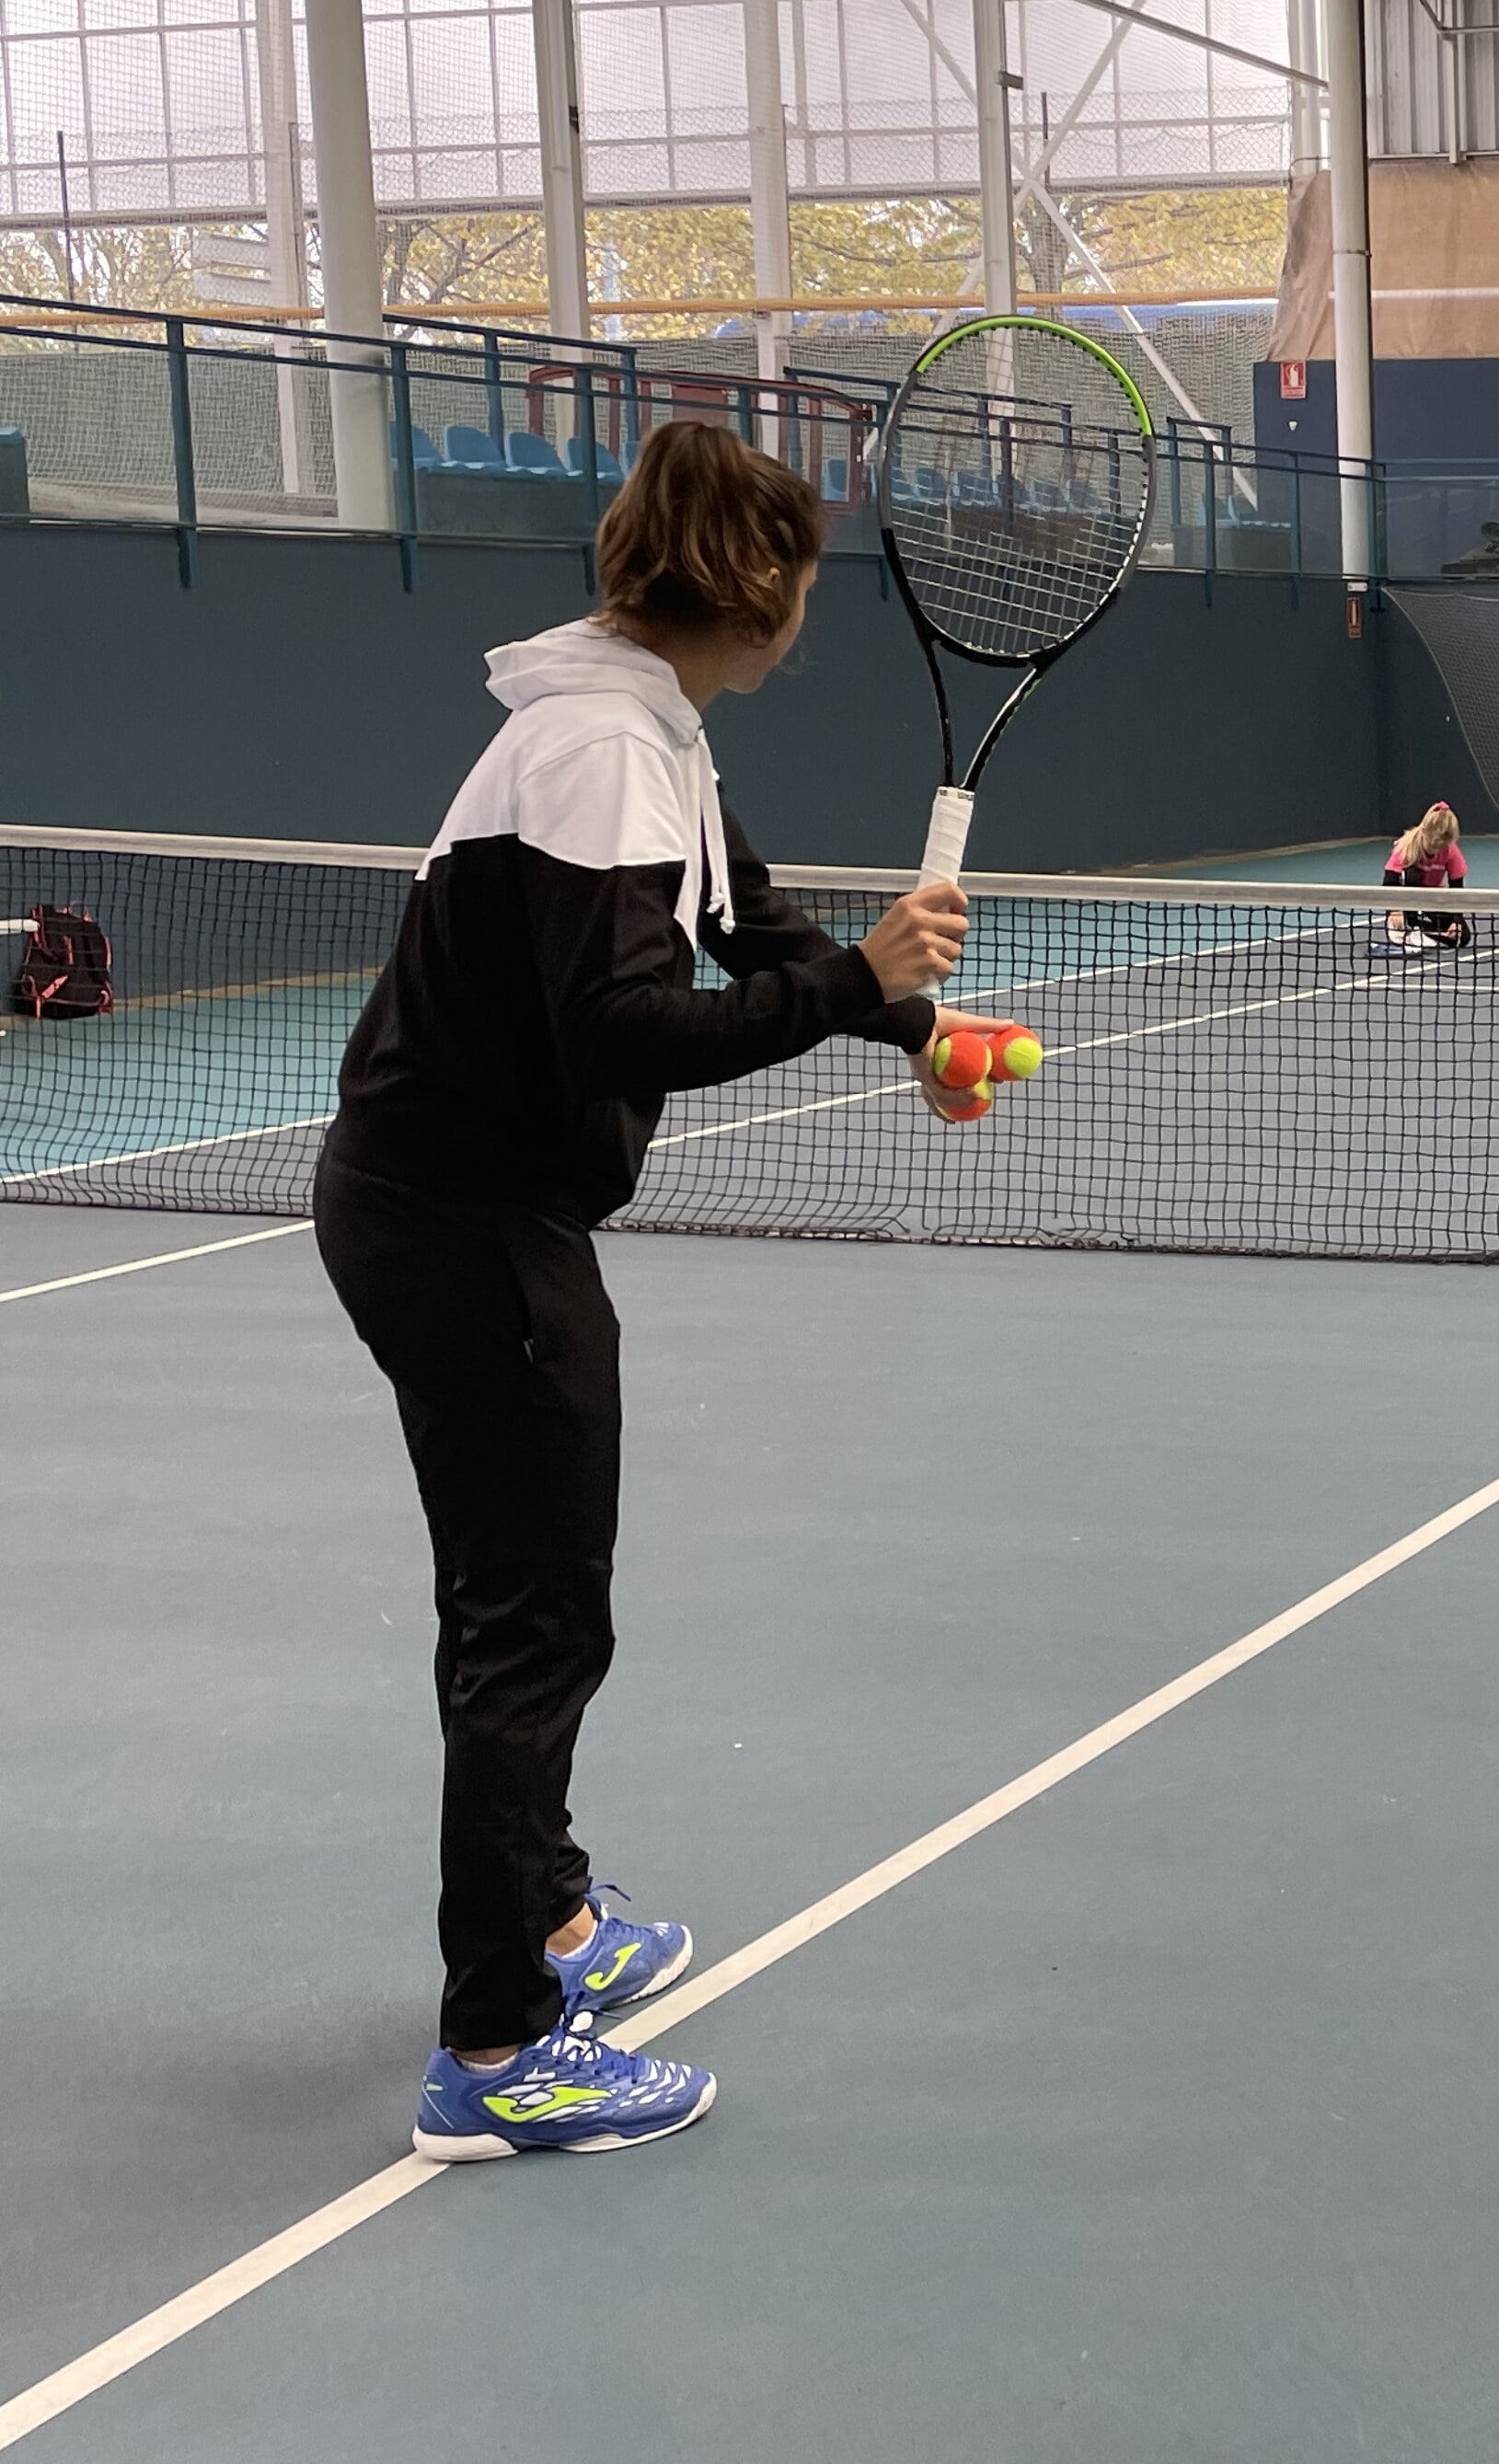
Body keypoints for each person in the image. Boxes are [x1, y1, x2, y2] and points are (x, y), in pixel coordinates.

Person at [317, 421, 986, 2163]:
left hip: (450, 1203)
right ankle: (497, 2042)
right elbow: (618, 1028)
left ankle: (548, 1919)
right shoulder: (600, 751)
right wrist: (855, 976)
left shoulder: (638, 726)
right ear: (756, 595)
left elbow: (752, 930)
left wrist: (910, 1024)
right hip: (464, 1220)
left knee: (524, 1598)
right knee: (534, 1621)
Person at [1382, 800, 1470, 949]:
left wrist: (1456, 921)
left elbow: (1457, 888)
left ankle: (1420, 934)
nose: (1436, 851)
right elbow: (1389, 882)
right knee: (1412, 874)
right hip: (1405, 901)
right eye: (1432, 845)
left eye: (1441, 846)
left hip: (1433, 899)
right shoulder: (1406, 846)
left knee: (1463, 938)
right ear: (1424, 833)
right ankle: (1408, 925)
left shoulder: (1451, 851)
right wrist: (1394, 911)